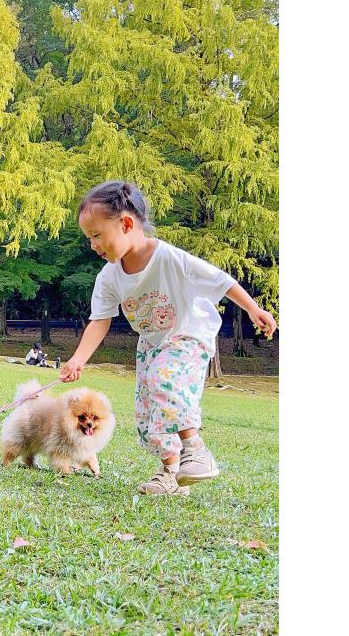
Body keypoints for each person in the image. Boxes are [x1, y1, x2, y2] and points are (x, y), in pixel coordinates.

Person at [60, 180, 276, 496]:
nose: (93, 245)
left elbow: (221, 280)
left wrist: (253, 309)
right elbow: (100, 320)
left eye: (96, 235)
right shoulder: (109, 277)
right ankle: (171, 474)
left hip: (188, 333)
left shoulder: (169, 258)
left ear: (126, 224)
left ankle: (196, 449)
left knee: (164, 379)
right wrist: (78, 359)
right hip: (151, 343)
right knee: (148, 411)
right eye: (88, 238)